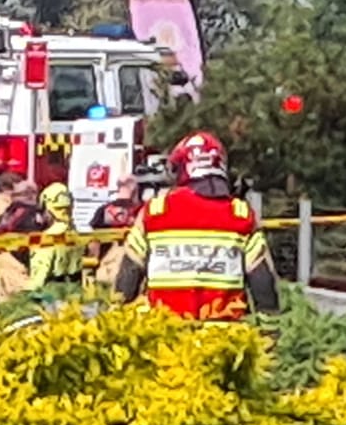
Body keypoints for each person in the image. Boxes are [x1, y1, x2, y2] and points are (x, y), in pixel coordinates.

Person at [114, 131, 279, 321]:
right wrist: (269, 330)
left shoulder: (155, 211)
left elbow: (129, 274)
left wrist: (118, 323)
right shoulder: (240, 215)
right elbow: (262, 282)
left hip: (164, 335)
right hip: (226, 338)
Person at [0, 172, 46, 301]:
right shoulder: (4, 201)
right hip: (6, 255)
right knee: (13, 287)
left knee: (9, 290)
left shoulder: (16, 206)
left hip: (9, 255)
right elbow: (5, 227)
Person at [26, 181, 84, 291]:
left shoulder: (47, 238)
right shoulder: (76, 234)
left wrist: (26, 296)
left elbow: (40, 276)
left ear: (48, 208)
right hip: (75, 292)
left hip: (51, 295)